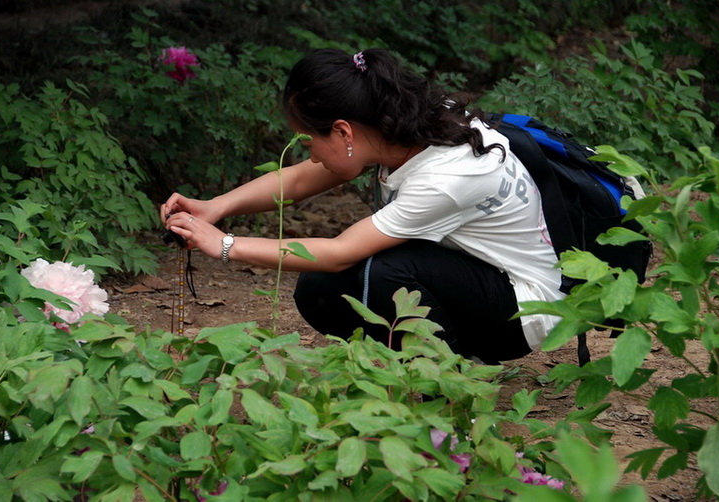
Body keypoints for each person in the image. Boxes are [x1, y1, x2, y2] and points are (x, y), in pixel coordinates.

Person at [161, 48, 563, 364]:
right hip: (476, 277)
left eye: (309, 140)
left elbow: (338, 253)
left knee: (386, 272)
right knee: (320, 289)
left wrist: (224, 245)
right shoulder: (401, 124)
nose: (311, 154)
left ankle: (439, 387)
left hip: (520, 311)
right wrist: (214, 208)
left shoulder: (447, 177)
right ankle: (394, 366)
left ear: (343, 131)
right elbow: (303, 178)